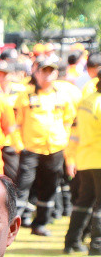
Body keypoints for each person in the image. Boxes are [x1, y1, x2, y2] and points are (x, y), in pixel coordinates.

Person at [14, 55, 75, 236]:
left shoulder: (62, 96)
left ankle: (40, 223)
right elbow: (16, 125)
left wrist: (65, 144)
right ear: (37, 72)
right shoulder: (25, 96)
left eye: (51, 71)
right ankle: (14, 224)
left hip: (55, 148)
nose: (47, 75)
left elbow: (69, 122)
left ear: (56, 73)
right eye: (44, 71)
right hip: (30, 148)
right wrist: (20, 146)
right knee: (23, 186)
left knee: (49, 187)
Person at [64, 70, 101, 255]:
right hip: (98, 158)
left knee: (84, 201)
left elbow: (76, 131)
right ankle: (97, 245)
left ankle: (71, 242)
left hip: (85, 158)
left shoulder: (86, 100)